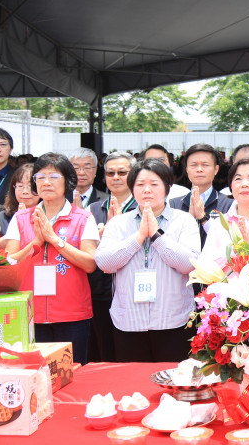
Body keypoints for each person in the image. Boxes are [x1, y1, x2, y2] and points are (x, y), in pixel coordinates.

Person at [94, 158, 202, 362]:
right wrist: (138, 237)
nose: (147, 190)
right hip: (129, 321)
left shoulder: (183, 220)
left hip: (174, 320)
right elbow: (104, 263)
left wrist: (156, 234)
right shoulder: (118, 223)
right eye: (140, 184)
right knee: (134, 386)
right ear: (132, 188)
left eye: (154, 184)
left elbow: (189, 264)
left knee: (173, 383)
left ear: (167, 188)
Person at [2, 153, 98, 363]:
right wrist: (36, 243)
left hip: (72, 313)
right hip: (29, 313)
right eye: (40, 177)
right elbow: (8, 264)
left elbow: (90, 264)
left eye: (54, 177)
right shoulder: (21, 218)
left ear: (68, 182)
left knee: (72, 370)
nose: (46, 182)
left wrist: (55, 240)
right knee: (35, 372)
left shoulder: (83, 218)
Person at [87, 152, 136, 362]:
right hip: (101, 290)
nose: (115, 177)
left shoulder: (143, 208)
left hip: (132, 291)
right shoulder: (93, 209)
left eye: (122, 172)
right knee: (104, 350)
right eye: (110, 173)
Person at [169, 143, 232, 247]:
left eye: (205, 165)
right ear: (186, 169)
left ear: (216, 169)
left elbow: (229, 241)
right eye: (193, 165)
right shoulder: (173, 204)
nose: (199, 169)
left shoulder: (228, 204)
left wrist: (203, 218)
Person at [1, 162, 39, 232]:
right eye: (20, 186)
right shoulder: (2, 218)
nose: (25, 191)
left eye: (31, 187)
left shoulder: (49, 217)